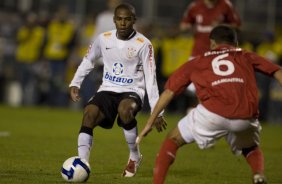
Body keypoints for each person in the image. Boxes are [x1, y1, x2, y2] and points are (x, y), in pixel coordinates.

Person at [136, 25, 282, 184]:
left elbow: (169, 92)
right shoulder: (246, 55)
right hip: (245, 117)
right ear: (236, 43)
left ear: (212, 43)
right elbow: (277, 71)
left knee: (173, 139)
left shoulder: (199, 61)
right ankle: (258, 175)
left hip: (213, 115)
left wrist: (149, 123)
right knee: (251, 147)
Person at [69, 3, 166, 177]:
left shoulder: (143, 44)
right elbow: (88, 60)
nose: (123, 23)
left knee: (124, 110)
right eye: (119, 19)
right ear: (114, 20)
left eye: (127, 19)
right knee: (89, 113)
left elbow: (151, 78)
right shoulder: (103, 38)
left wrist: (157, 111)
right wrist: (76, 82)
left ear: (134, 21)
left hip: (132, 89)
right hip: (107, 88)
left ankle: (134, 156)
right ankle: (82, 164)